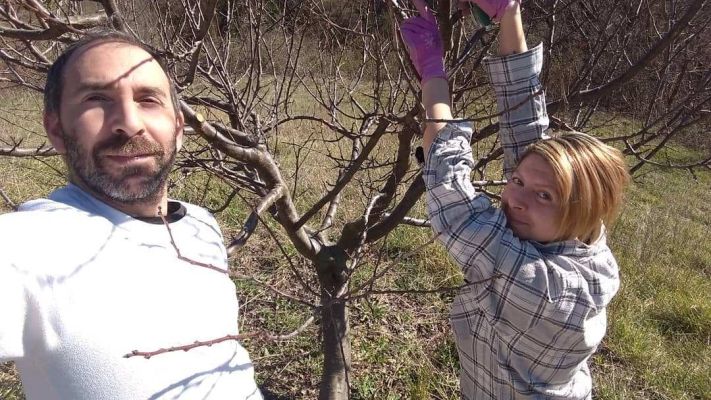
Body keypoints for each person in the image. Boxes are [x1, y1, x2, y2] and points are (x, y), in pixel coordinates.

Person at [0, 30, 262, 400]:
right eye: (97, 99)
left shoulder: (201, 225)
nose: (129, 122)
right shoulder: (23, 246)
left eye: (148, 99)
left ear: (179, 127)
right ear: (57, 129)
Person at [401, 0, 630, 398]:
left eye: (543, 194)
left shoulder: (542, 289)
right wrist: (509, 13)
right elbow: (528, 131)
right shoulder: (583, 236)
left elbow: (450, 194)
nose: (515, 198)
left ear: (583, 207)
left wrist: (432, 74)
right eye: (518, 180)